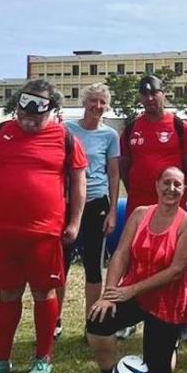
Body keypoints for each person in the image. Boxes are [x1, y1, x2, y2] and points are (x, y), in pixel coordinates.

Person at [0, 80, 87, 373]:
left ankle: (43, 356)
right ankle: (2, 358)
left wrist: (75, 221)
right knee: (8, 294)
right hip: (4, 232)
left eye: (37, 113)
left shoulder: (65, 137)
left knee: (43, 292)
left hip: (44, 232)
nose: (29, 119)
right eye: (24, 111)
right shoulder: (2, 133)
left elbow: (79, 181)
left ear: (52, 110)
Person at [83, 167, 187, 373]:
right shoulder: (139, 214)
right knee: (97, 320)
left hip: (168, 299)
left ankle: (170, 343)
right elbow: (121, 254)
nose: (171, 189)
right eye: (166, 183)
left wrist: (131, 290)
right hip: (132, 292)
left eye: (177, 185)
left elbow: (176, 271)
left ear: (184, 190)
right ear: (157, 185)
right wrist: (109, 294)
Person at [120, 74, 187, 341]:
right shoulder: (132, 127)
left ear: (163, 94)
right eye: (145, 94)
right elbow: (125, 166)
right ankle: (130, 315)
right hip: (139, 206)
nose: (150, 98)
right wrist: (136, 193)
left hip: (172, 205)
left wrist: (180, 199)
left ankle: (183, 319)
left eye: (154, 93)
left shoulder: (179, 126)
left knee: (178, 263)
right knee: (135, 260)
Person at [62, 83, 122, 333]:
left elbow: (114, 175)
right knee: (60, 263)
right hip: (66, 203)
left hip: (97, 201)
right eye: (93, 101)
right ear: (84, 103)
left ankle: (92, 321)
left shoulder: (110, 135)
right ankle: (54, 321)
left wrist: (111, 213)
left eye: (102, 102)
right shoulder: (66, 129)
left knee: (93, 265)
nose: (97, 106)